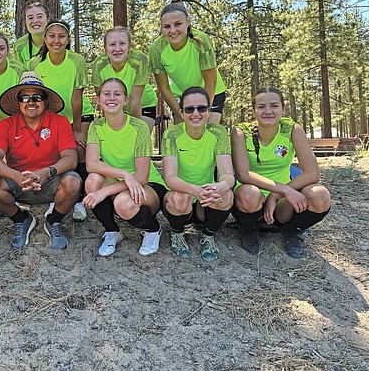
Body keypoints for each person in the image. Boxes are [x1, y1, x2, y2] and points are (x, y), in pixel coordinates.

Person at [0, 71, 82, 250]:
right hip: (18, 182)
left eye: (37, 97)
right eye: (25, 98)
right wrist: (17, 176)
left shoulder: (60, 122)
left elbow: (71, 158)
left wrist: (46, 172)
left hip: (51, 179)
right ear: (18, 102)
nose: (31, 102)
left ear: (45, 101)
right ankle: (22, 219)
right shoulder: (5, 125)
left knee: (73, 182)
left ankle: (53, 221)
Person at [231, 87, 332, 258]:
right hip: (250, 202)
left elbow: (312, 173)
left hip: (283, 205)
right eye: (261, 106)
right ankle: (250, 230)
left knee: (321, 196)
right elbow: (243, 174)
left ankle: (291, 231)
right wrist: (283, 190)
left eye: (274, 106)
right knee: (248, 194)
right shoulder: (241, 132)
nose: (268, 111)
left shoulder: (292, 129)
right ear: (253, 110)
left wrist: (276, 195)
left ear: (283, 109)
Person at [83, 79, 167, 257]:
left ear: (126, 100)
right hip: (123, 180)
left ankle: (153, 230)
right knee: (92, 180)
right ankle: (112, 231)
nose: (111, 98)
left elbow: (142, 177)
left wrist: (104, 192)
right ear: (98, 100)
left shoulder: (139, 127)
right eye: (106, 94)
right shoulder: (96, 126)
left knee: (123, 202)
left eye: (117, 94)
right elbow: (91, 164)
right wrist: (124, 174)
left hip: (148, 186)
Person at [28, 19, 93, 221]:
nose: (56, 40)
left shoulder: (76, 61)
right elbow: (36, 97)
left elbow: (76, 97)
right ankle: (54, 196)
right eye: (52, 36)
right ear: (45, 39)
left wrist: (76, 129)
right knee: (51, 153)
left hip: (77, 115)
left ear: (68, 39)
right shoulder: (35, 64)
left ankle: (81, 200)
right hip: (50, 117)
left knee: (80, 149)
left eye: (61, 36)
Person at [161, 87, 234, 260]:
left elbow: (227, 174)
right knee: (180, 198)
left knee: (226, 195)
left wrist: (221, 186)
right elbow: (170, 178)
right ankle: (177, 233)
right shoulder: (171, 134)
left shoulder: (218, 133)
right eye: (189, 109)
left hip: (205, 202)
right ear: (181, 112)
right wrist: (194, 190)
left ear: (209, 111)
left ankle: (208, 235)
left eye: (202, 108)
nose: (196, 113)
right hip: (180, 201)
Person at [149, 0, 226, 124]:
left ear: (188, 21)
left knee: (209, 134)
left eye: (178, 24)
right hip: (181, 97)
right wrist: (179, 112)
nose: (173, 31)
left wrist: (204, 109)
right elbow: (164, 88)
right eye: (167, 26)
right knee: (184, 139)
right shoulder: (156, 50)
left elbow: (210, 81)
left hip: (211, 93)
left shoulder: (201, 41)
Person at [91, 26, 158, 133]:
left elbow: (136, 100)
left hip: (143, 105)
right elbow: (104, 101)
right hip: (117, 108)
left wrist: (135, 131)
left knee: (139, 138)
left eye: (122, 43)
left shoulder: (139, 60)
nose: (117, 49)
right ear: (105, 48)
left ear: (129, 46)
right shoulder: (99, 64)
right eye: (112, 44)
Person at [12, 2, 49, 68]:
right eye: (30, 18)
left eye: (39, 16)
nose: (35, 21)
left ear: (47, 20)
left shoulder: (56, 42)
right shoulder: (19, 46)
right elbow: (18, 73)